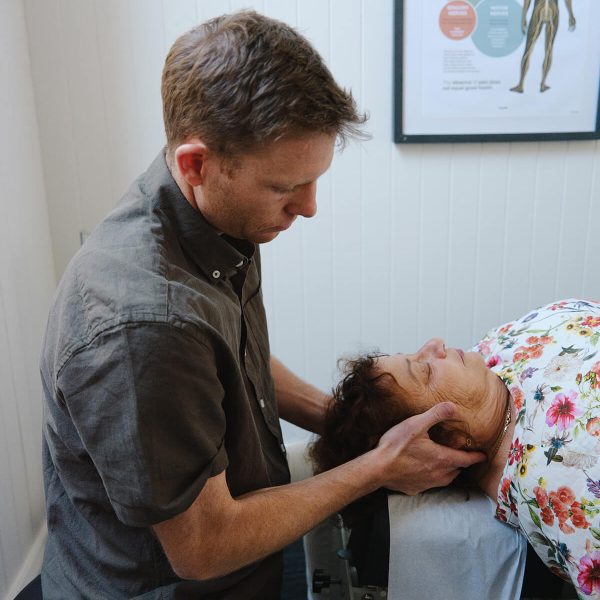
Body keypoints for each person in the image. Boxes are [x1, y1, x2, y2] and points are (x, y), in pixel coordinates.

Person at [39, 11, 485, 600]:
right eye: (284, 187)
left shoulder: (217, 215)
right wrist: (375, 469)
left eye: (313, 180)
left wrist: (358, 428)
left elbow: (233, 362)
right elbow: (203, 548)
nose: (308, 208)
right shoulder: (143, 327)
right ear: (196, 163)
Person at [311, 298, 600, 597]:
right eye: (425, 371)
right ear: (445, 442)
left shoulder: (490, 354)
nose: (436, 344)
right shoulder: (562, 488)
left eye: (414, 354)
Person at [510, 0, 576, 93]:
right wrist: (571, 15)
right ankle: (543, 84)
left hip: (539, 8)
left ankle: (521, 84)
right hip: (553, 9)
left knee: (528, 48)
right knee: (549, 48)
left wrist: (523, 17)